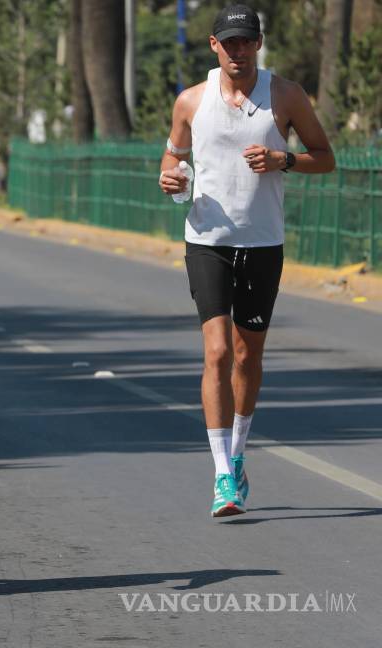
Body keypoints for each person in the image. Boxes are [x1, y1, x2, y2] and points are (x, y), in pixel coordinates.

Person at [159, 4, 334, 518]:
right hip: (207, 239)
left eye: (245, 42)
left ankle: (237, 455)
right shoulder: (191, 100)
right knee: (215, 352)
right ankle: (220, 476)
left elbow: (325, 157)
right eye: (227, 42)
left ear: (258, 44)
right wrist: (171, 177)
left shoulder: (285, 95)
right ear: (213, 45)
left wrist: (284, 160)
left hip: (262, 242)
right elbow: (173, 157)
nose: (237, 51)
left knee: (245, 356)